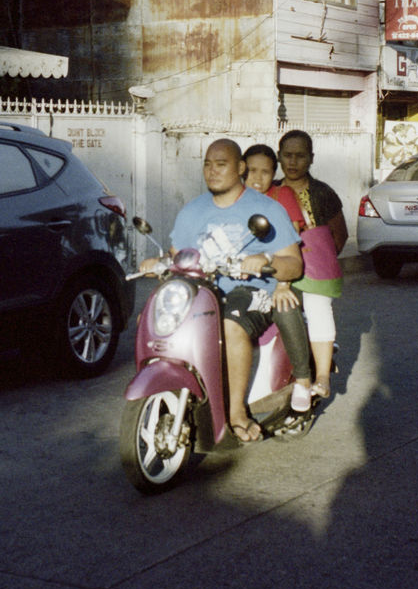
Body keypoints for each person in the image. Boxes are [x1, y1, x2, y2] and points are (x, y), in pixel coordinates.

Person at [142, 139, 303, 443]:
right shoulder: (192, 210)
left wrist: (266, 261)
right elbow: (178, 258)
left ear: (240, 168)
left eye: (221, 164)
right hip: (200, 292)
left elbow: (294, 264)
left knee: (230, 325)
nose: (212, 171)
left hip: (252, 292)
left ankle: (237, 412)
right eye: (207, 164)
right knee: (154, 319)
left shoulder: (267, 209)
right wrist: (158, 263)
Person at [241, 144, 316, 413]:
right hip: (240, 278)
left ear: (274, 174)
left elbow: (291, 244)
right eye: (251, 171)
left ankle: (303, 379)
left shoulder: (281, 195)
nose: (257, 178)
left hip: (281, 275)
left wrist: (282, 284)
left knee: (284, 306)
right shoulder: (235, 199)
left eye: (265, 172)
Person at [276, 129, 347, 399]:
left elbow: (339, 235)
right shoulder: (272, 191)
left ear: (311, 158)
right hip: (279, 268)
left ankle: (322, 377)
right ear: (279, 157)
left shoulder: (323, 193)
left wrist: (320, 260)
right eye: (287, 155)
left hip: (315, 271)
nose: (293, 162)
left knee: (317, 307)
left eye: (300, 156)